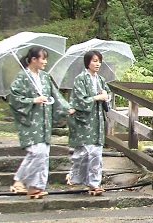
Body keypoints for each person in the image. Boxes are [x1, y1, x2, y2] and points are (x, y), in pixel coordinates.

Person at [9, 46, 75, 199]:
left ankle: (35, 186)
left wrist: (67, 108)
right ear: (34, 59)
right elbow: (15, 99)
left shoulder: (44, 77)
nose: (45, 62)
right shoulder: (22, 77)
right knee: (36, 152)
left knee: (44, 153)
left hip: (44, 121)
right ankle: (18, 181)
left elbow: (55, 95)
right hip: (30, 121)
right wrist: (33, 100)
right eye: (43, 58)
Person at [66, 50, 112, 195]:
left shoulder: (101, 80)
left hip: (97, 120)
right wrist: (96, 98)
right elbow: (79, 99)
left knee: (96, 152)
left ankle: (94, 183)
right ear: (87, 62)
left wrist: (106, 96)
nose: (97, 64)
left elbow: (108, 94)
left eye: (99, 61)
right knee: (83, 152)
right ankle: (74, 176)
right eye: (94, 61)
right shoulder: (81, 79)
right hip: (84, 120)